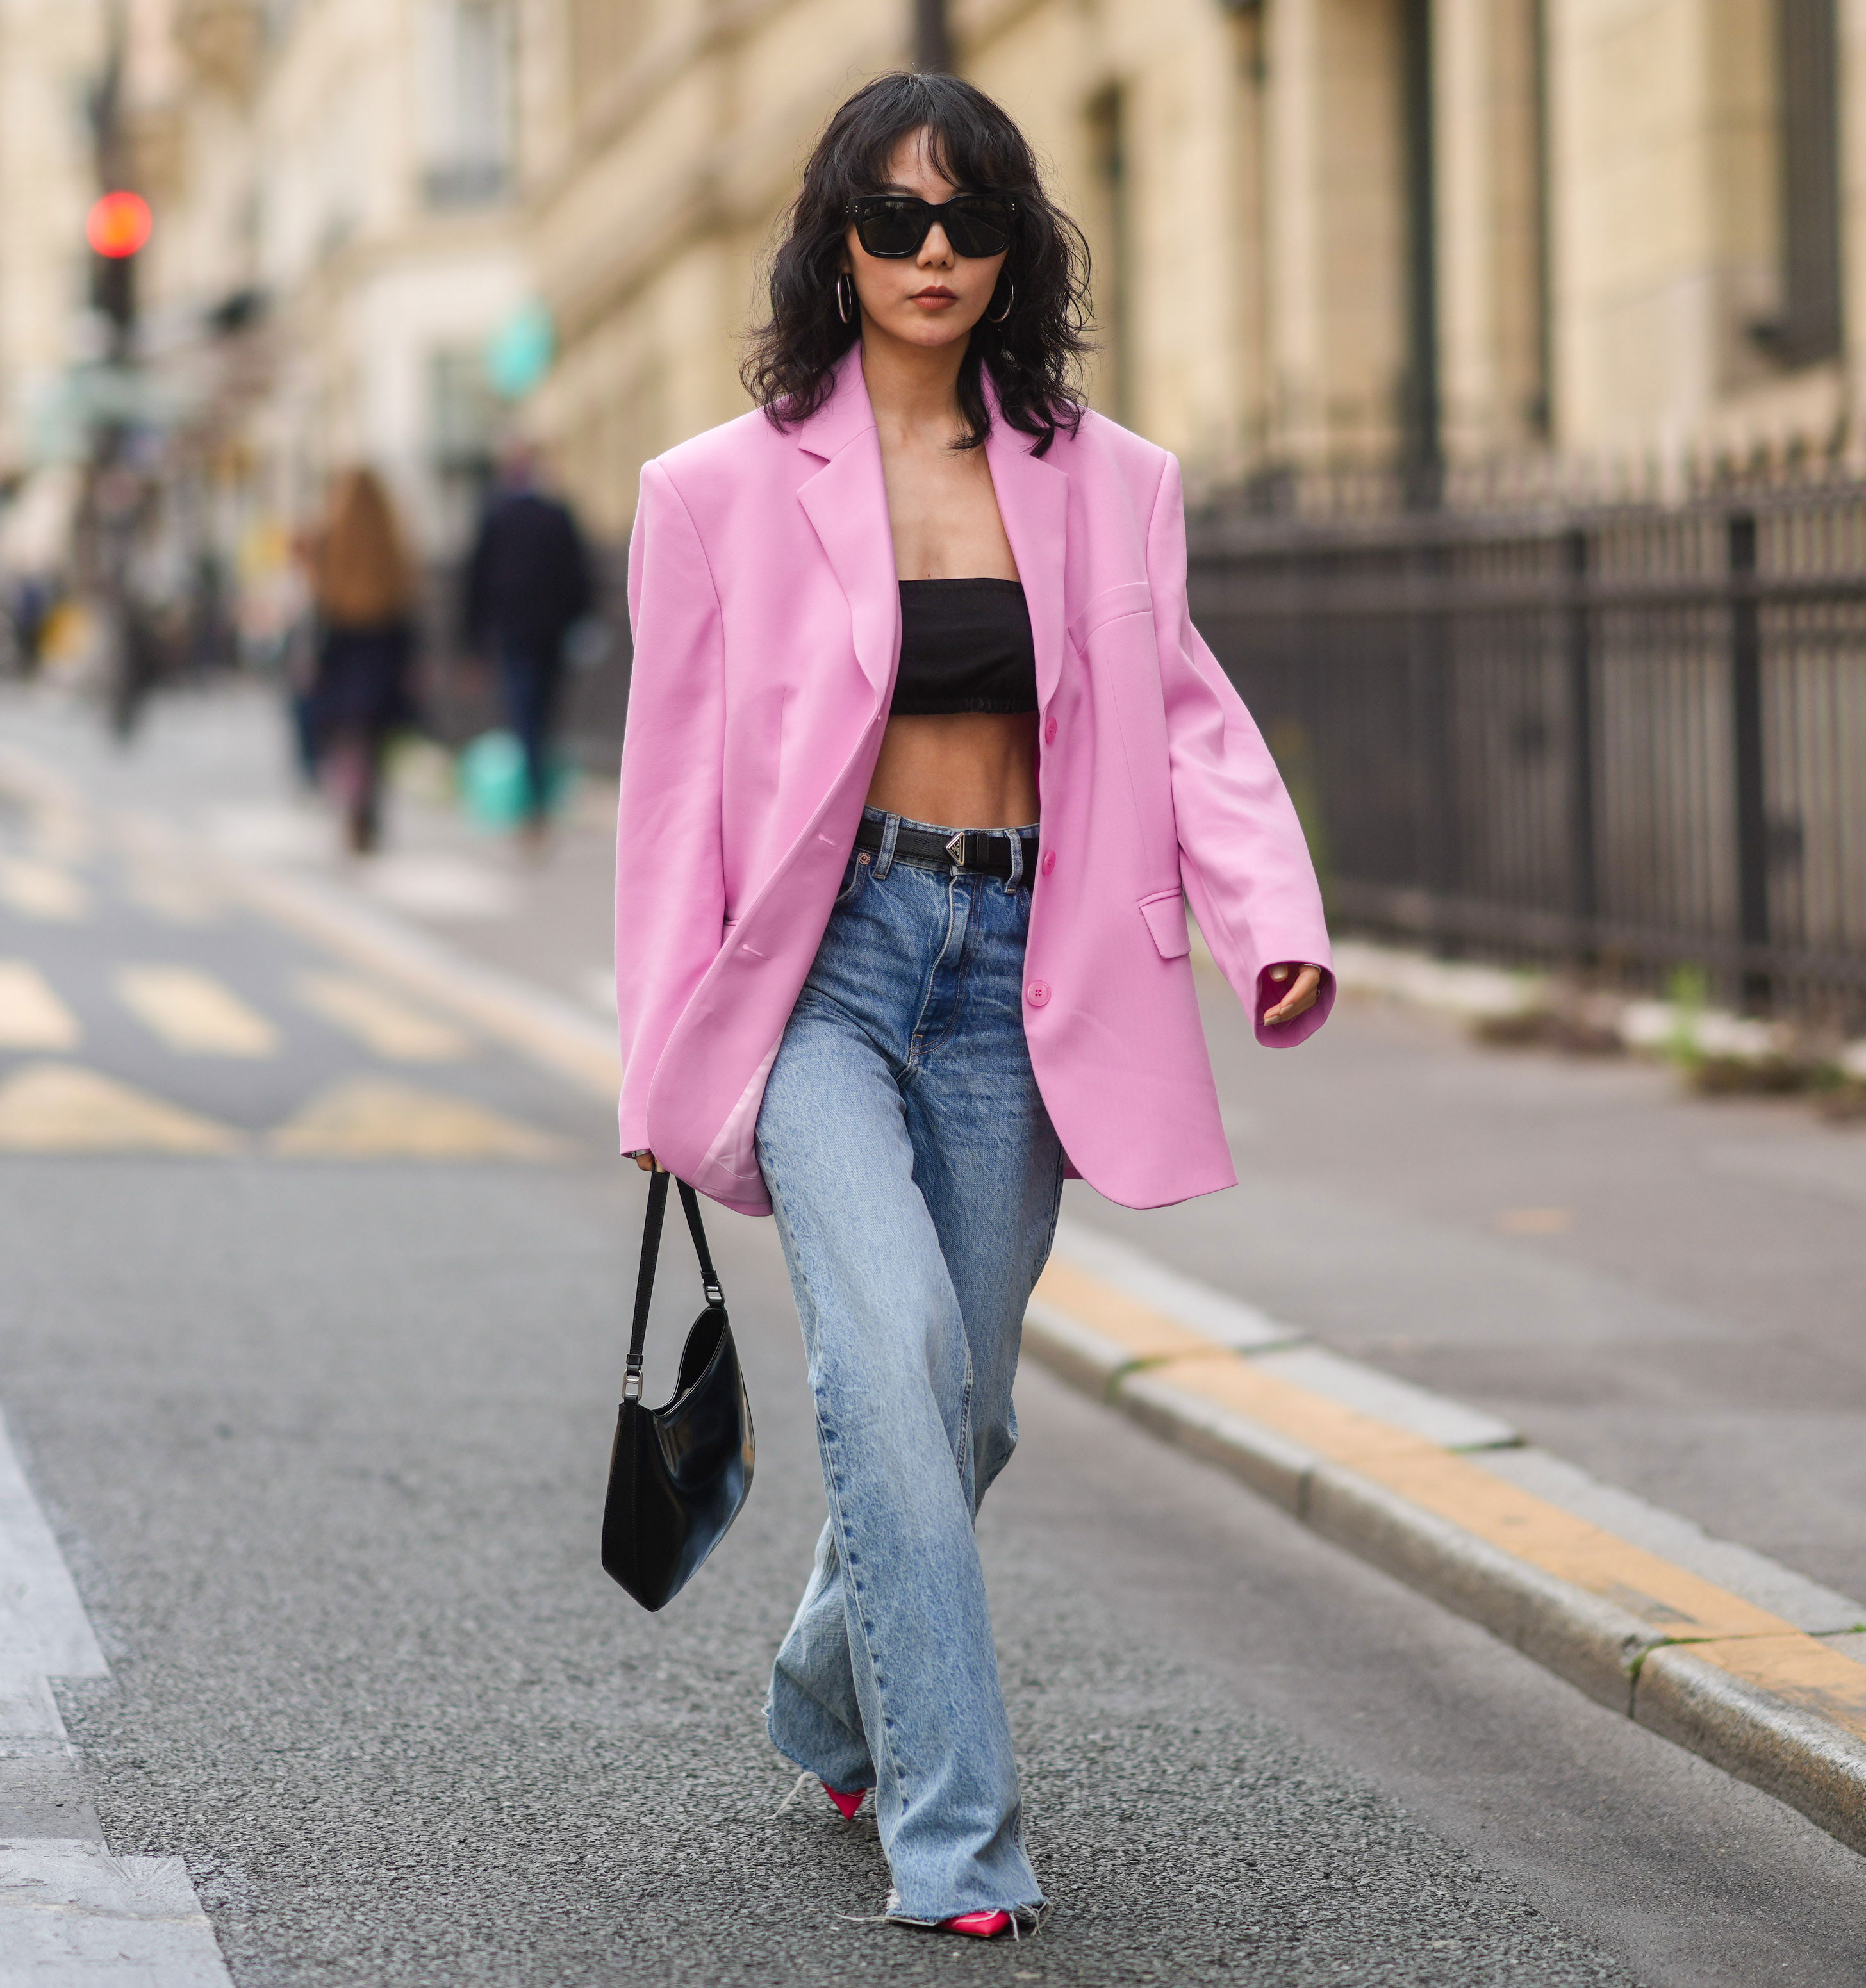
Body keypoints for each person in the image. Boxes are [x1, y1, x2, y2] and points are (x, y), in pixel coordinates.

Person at [610, 72, 1333, 1939]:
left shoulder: (1108, 481)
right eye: (893, 218)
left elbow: (1184, 720)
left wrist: (1269, 920)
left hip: (1025, 969)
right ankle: (956, 1838)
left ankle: (822, 1689)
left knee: (969, 1404)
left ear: (1017, 248)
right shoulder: (712, 493)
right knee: (890, 1353)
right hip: (825, 976)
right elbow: (668, 800)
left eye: (970, 219)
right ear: (834, 243)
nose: (932, 252)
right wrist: (662, 1057)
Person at [461, 443, 592, 854]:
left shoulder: (496, 517)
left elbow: (476, 583)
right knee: (542, 718)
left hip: (516, 637)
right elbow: (579, 577)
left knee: (526, 718)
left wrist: (474, 644)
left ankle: (534, 805)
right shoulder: (556, 515)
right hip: (550, 637)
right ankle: (537, 802)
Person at [302, 468, 417, 855]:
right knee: (376, 740)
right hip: (383, 652)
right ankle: (368, 809)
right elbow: (406, 609)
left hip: (343, 652)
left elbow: (319, 607)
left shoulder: (330, 538)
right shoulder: (390, 541)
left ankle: (354, 805)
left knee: (349, 740)